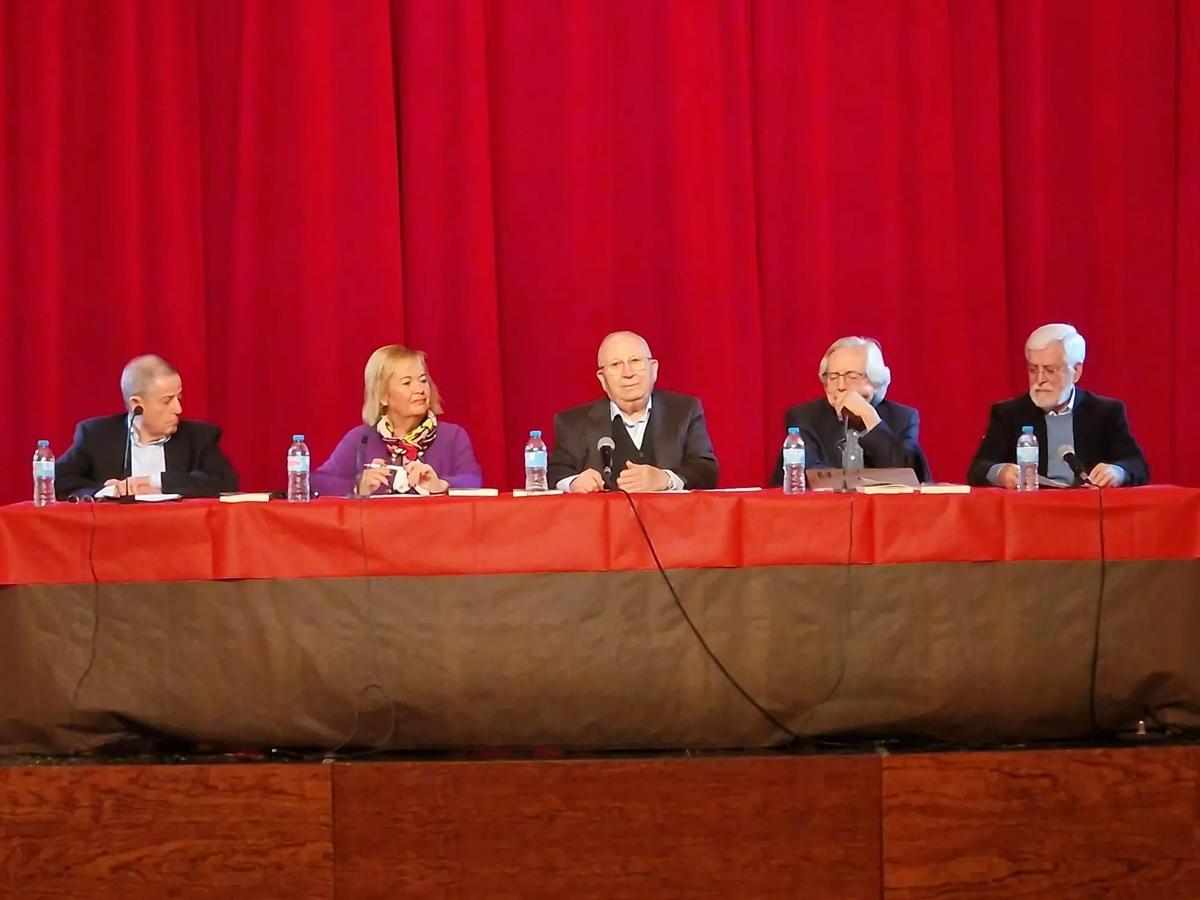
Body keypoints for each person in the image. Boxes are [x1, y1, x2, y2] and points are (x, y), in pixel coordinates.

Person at [967, 323, 1148, 487]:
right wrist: (1001, 473)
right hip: (1030, 512)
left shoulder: (1105, 413)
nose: (1039, 380)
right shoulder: (1008, 414)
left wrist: (1118, 472)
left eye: (1050, 370)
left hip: (1088, 511)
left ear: (1076, 372)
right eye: (1033, 370)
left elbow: (1136, 464)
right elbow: (979, 468)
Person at [548, 331, 718, 492]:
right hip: (603, 522)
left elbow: (706, 469)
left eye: (635, 361)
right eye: (615, 365)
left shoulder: (684, 411)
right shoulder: (572, 423)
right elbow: (553, 473)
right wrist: (574, 482)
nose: (628, 373)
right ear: (603, 379)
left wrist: (665, 479)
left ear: (654, 369)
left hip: (671, 519)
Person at [55, 354, 238, 499]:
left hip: (181, 537)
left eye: (179, 398)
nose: (178, 409)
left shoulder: (198, 437)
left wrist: (155, 481)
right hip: (116, 539)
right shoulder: (96, 436)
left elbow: (225, 482)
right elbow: (58, 482)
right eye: (166, 401)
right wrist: (108, 491)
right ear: (137, 405)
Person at [311, 344, 482, 496]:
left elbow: (473, 480)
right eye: (407, 383)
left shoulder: (452, 436)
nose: (420, 390)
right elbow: (316, 481)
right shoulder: (361, 439)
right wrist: (357, 487)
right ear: (383, 396)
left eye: (423, 381)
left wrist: (441, 485)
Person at [771, 337, 930, 484]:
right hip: (825, 511)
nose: (840, 386)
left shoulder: (903, 418)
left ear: (874, 382)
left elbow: (910, 479)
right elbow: (809, 477)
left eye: (852, 376)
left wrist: (870, 419)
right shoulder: (804, 417)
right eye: (833, 377)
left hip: (885, 512)